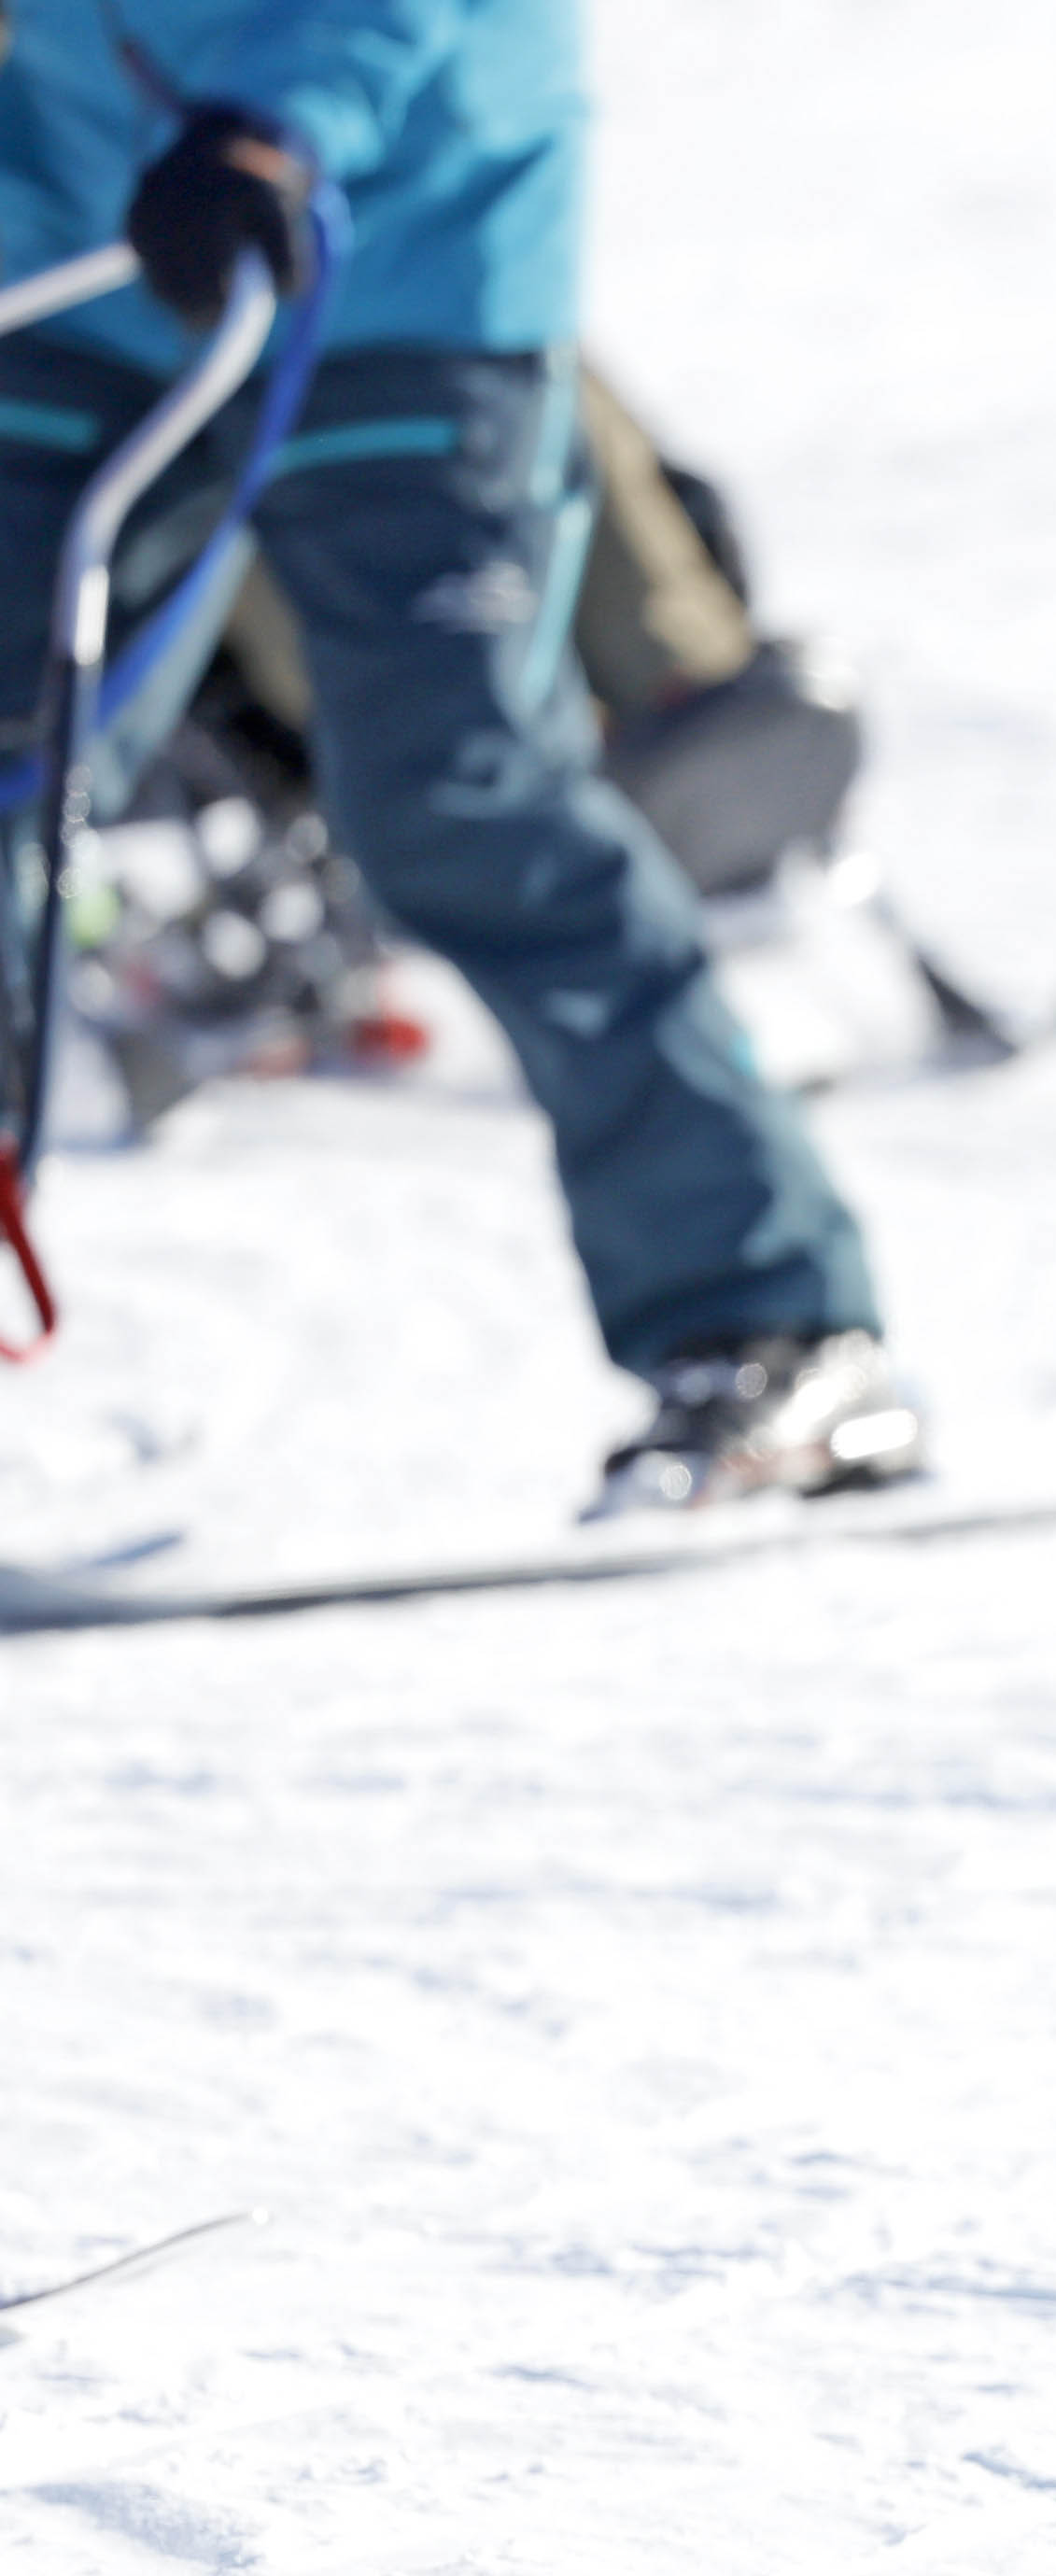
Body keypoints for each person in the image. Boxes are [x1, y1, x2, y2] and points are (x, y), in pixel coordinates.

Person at [0, 1, 915, 1513]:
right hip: (80, 238)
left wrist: (270, 125)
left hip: (396, 257)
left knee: (455, 793)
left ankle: (771, 1327)